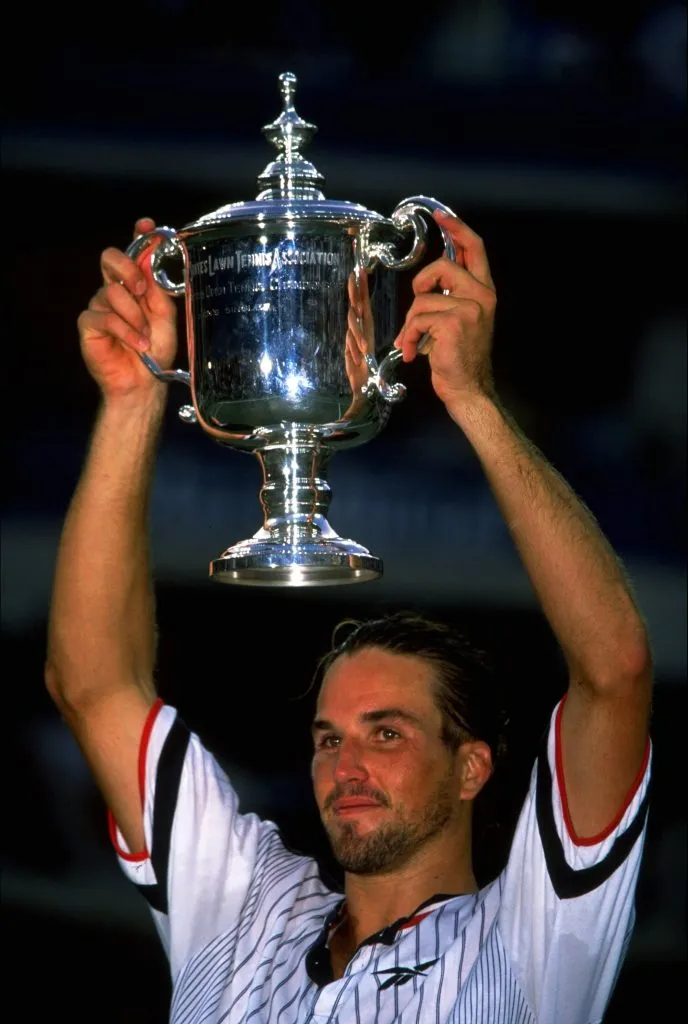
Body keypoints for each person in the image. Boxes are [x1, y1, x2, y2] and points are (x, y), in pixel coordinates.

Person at [45, 211, 653, 1024]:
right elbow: (94, 686)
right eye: (330, 738)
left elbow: (613, 673)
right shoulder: (243, 906)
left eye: (387, 732)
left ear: (471, 767)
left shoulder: (536, 942)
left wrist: (470, 398)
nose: (345, 765)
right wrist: (128, 400)